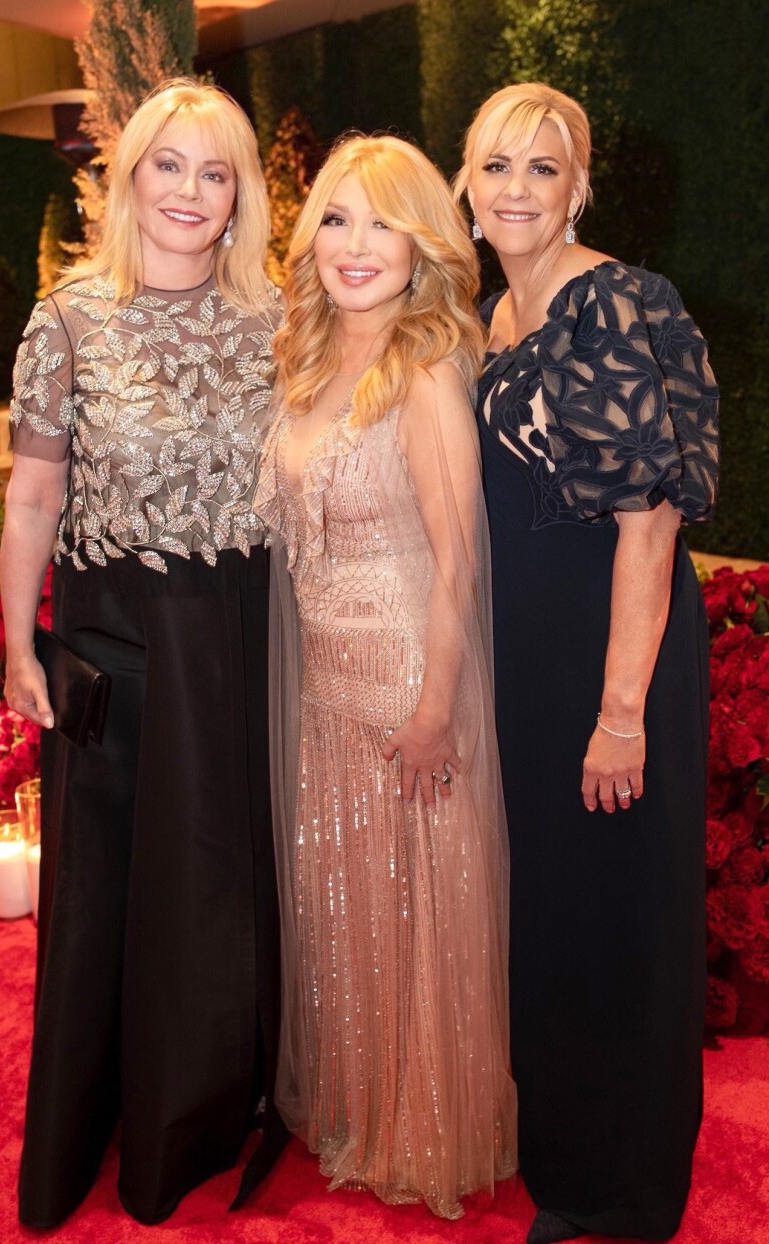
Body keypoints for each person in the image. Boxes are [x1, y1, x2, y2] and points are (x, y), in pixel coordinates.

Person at [1, 78, 285, 1228]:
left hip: (250, 635)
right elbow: (33, 495)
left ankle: (224, 1100)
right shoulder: (68, 319)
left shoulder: (279, 317)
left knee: (226, 878)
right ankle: (111, 1116)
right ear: (129, 176)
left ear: (240, 196)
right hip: (119, 639)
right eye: (170, 164)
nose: (189, 191)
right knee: (115, 883)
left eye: (215, 172)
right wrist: (18, 641)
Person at [454, 83, 719, 1244]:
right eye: (496, 164)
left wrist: (621, 710)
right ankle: (566, 1154)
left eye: (543, 167)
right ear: (466, 186)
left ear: (577, 188)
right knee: (556, 903)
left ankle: (625, 1186)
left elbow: (647, 523)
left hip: (616, 646)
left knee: (620, 906)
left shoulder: (608, 300)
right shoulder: (493, 317)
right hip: (531, 646)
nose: (516, 188)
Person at [253, 134, 517, 1220]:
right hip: (328, 688)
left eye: (384, 224)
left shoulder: (425, 371)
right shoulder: (306, 362)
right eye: (336, 219)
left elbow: (459, 563)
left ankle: (426, 1125)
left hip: (411, 684)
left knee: (420, 908)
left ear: (422, 249)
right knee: (349, 901)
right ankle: (365, 1105)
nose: (356, 246)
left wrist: (436, 710)